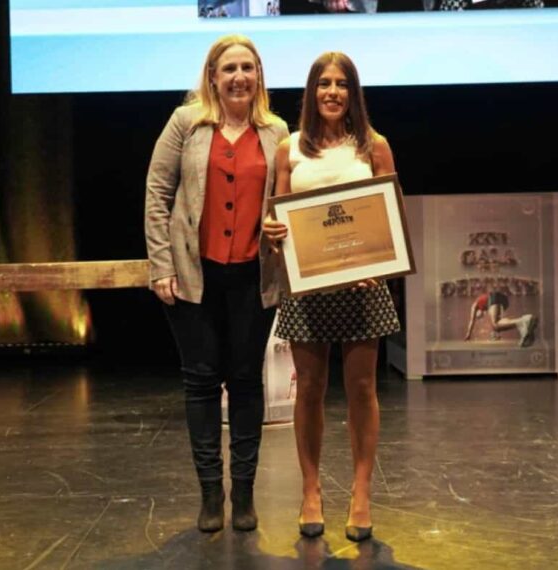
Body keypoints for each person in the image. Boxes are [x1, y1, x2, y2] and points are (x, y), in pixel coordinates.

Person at [145, 34, 288, 533]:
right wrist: (160, 265)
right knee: (202, 383)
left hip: (253, 276)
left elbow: (286, 204)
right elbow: (158, 193)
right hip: (193, 277)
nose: (239, 77)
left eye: (247, 68)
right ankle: (211, 495)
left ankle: (244, 494)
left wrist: (282, 226)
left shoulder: (276, 132)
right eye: (229, 69)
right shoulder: (187, 124)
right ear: (212, 77)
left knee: (247, 382)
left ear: (259, 77)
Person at [262, 52, 400, 542]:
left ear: (354, 92)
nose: (333, 92)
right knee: (311, 390)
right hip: (308, 289)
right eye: (324, 83)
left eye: (342, 84)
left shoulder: (374, 146)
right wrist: (273, 230)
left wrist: (379, 261)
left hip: (364, 290)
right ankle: (311, 490)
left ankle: (362, 493)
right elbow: (276, 217)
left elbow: (392, 216)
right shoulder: (289, 148)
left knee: (362, 389)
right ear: (311, 91)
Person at [464, 291, 538, 347]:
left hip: (494, 297)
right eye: (480, 317)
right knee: (498, 324)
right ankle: (524, 328)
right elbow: (500, 320)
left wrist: (468, 334)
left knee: (495, 324)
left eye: (477, 316)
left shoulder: (475, 305)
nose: (479, 316)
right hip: (503, 299)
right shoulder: (486, 306)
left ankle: (523, 321)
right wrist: (495, 334)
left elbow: (472, 321)